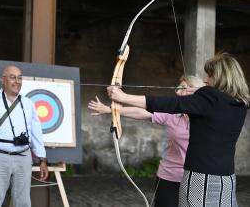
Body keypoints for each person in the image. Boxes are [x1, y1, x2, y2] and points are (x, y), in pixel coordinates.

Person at [107, 52, 250, 206]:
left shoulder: (209, 97)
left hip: (200, 178)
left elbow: (171, 104)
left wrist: (123, 97)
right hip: (227, 178)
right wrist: (198, 95)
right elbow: (214, 107)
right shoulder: (240, 104)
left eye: (209, 75)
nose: (205, 80)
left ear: (220, 77)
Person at [88, 75, 205, 207]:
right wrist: (110, 110)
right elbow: (143, 112)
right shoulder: (173, 114)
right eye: (177, 88)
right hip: (169, 176)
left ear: (194, 91)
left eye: (183, 88)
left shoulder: (208, 116)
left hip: (197, 178)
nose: (177, 92)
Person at [0, 65, 49, 207]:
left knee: (23, 201)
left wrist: (42, 159)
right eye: (12, 77)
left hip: (24, 157)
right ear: (3, 80)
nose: (17, 81)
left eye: (20, 78)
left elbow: (36, 133)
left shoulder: (28, 104)